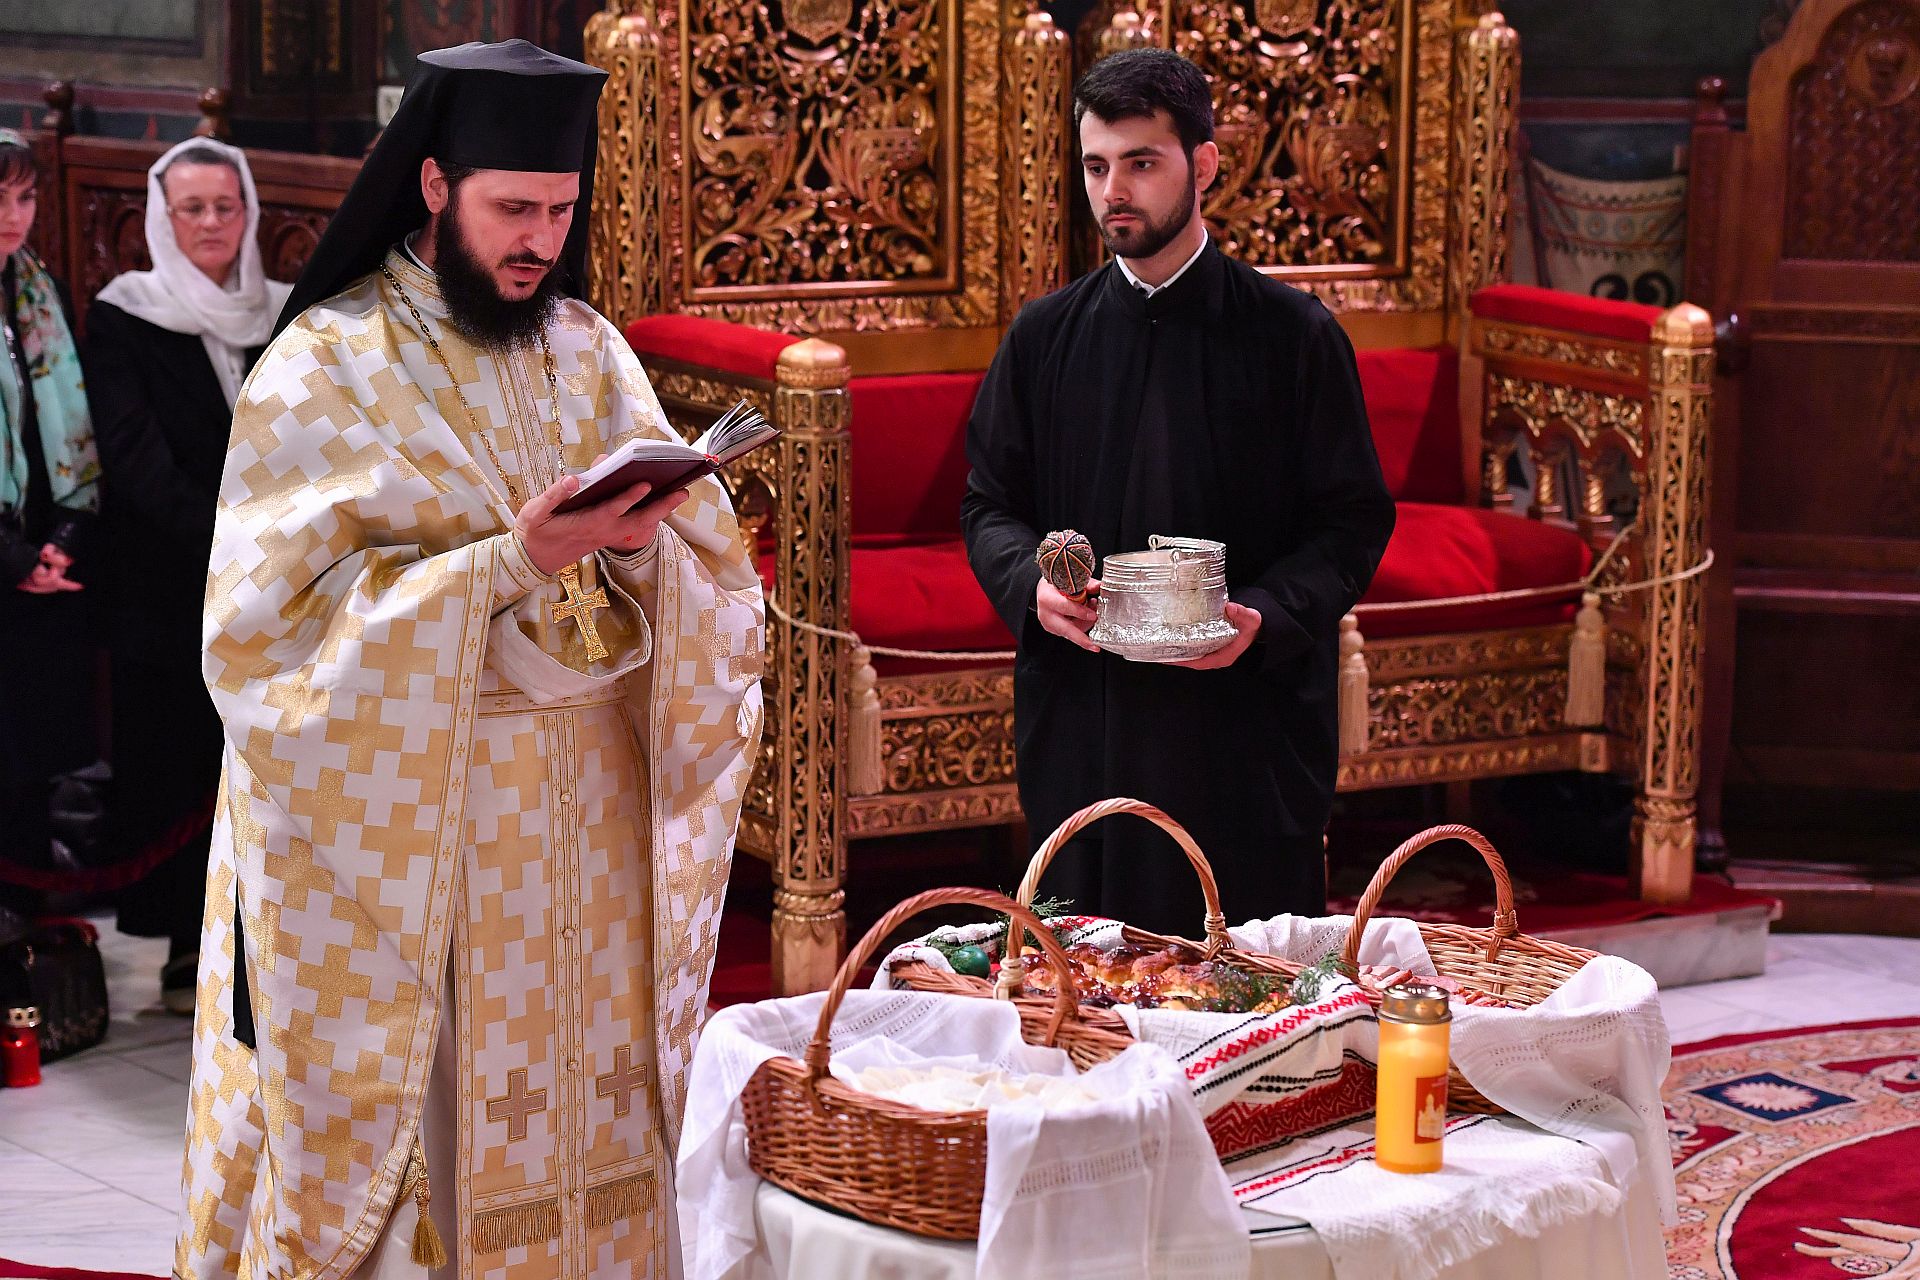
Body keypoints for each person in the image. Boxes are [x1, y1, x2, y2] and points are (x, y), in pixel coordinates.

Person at [176, 41, 764, 1278]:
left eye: (561, 210)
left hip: (589, 824)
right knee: (449, 1141)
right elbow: (262, 641)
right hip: (427, 837)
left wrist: (642, 546)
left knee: (588, 1126)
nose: (541, 241)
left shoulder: (588, 348)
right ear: (437, 185)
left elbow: (710, 581)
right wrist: (508, 563)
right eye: (513, 209)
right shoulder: (327, 363)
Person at [961, 50, 1395, 935]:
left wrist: (1265, 616)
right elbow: (988, 506)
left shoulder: (1295, 337)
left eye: (1141, 163)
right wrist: (1030, 588)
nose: (1113, 191)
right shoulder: (1043, 337)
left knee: (1247, 991)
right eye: (1095, 166)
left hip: (1241, 732)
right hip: (1085, 726)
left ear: (1203, 165)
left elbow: (1352, 523)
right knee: (1085, 987)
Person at [86, 138, 292, 1014]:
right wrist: (228, 540)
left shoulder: (284, 308)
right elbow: (132, 452)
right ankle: (183, 952)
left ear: (249, 213)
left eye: (225, 206)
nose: (211, 223)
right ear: (161, 219)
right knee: (177, 761)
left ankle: (263, 949)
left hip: (277, 579)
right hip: (171, 579)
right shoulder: (125, 313)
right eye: (192, 209)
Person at [0, 129, 100, 895]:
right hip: (6, 559)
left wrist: (64, 537)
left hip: (41, 550)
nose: (14, 215)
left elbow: (63, 429)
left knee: (33, 754)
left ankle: (30, 919)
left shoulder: (41, 292)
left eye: (26, 197)